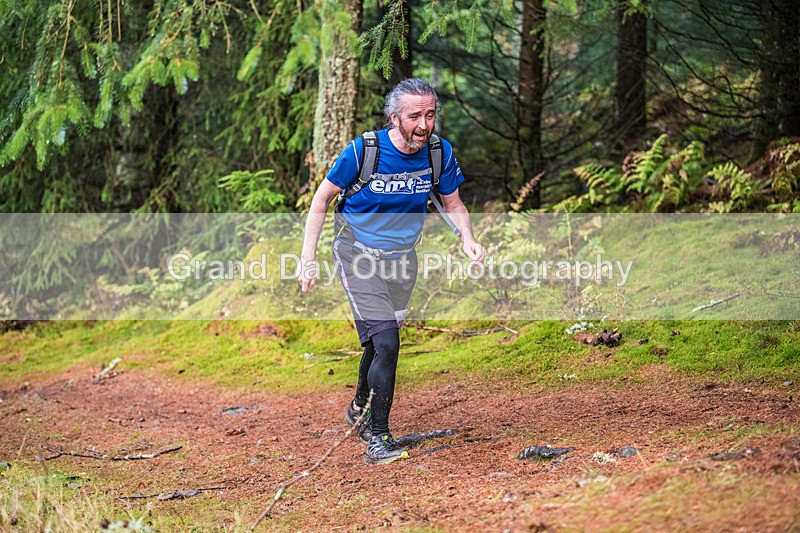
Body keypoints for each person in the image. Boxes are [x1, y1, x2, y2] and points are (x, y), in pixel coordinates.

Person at [297, 78, 484, 465]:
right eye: (414, 116)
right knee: (387, 343)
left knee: (377, 343)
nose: (424, 124)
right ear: (394, 117)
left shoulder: (438, 153)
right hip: (357, 256)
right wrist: (307, 257)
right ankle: (378, 438)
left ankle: (358, 408)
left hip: (403, 260)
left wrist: (467, 238)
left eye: (430, 115)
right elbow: (321, 199)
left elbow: (453, 203)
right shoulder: (364, 150)